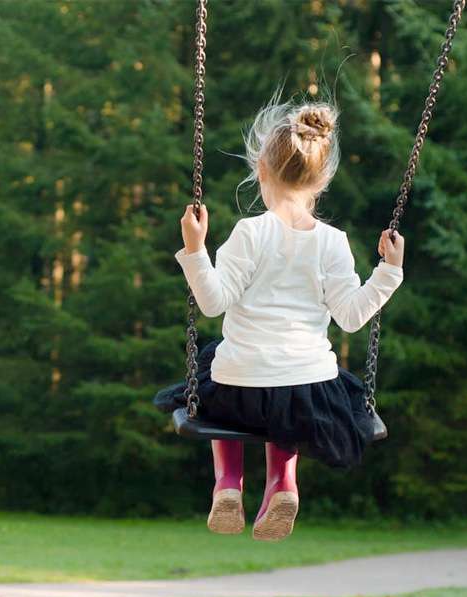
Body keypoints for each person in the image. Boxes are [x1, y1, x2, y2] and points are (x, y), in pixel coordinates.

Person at [153, 89, 404, 541]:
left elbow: (213, 302)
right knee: (290, 398)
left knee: (215, 370)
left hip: (239, 390)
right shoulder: (333, 242)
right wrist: (389, 271)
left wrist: (195, 249)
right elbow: (351, 317)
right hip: (307, 392)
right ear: (322, 180)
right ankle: (283, 484)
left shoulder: (249, 233)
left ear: (262, 170)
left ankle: (228, 484)